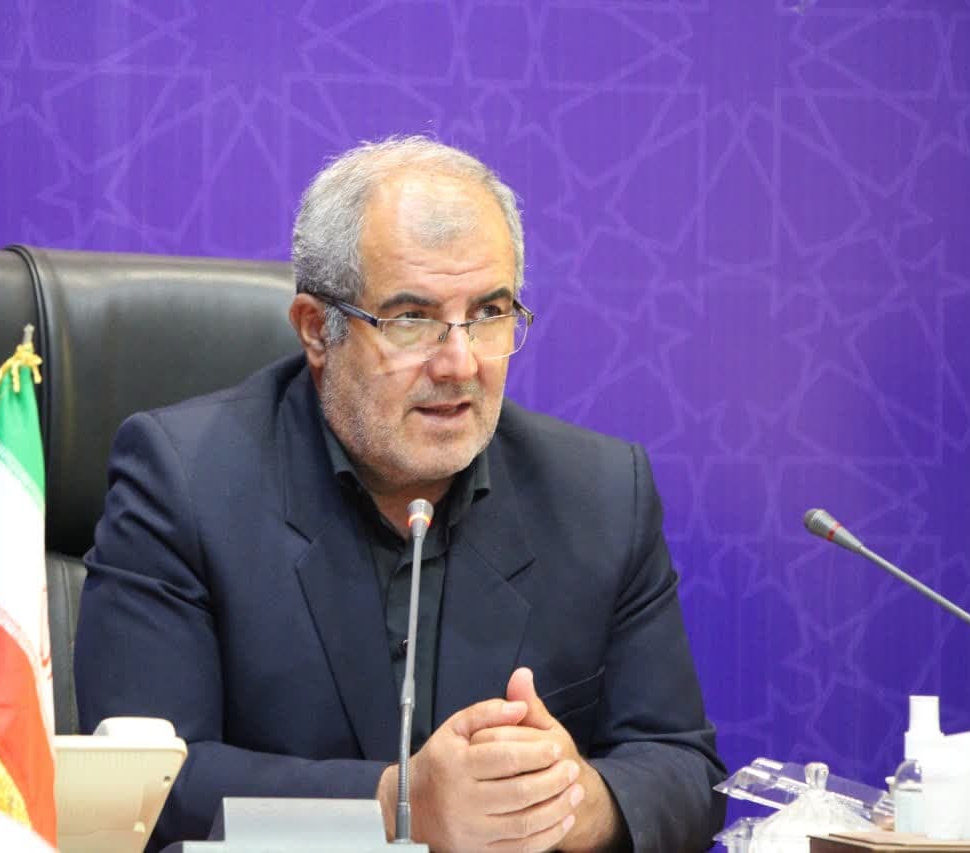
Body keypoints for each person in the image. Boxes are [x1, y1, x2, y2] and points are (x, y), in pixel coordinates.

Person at [75, 136, 726, 852]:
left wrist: (569, 796)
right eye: (413, 318)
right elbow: (143, 786)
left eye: (490, 312)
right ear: (316, 331)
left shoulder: (599, 493)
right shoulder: (184, 480)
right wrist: (393, 803)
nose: (460, 363)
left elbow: (683, 770)